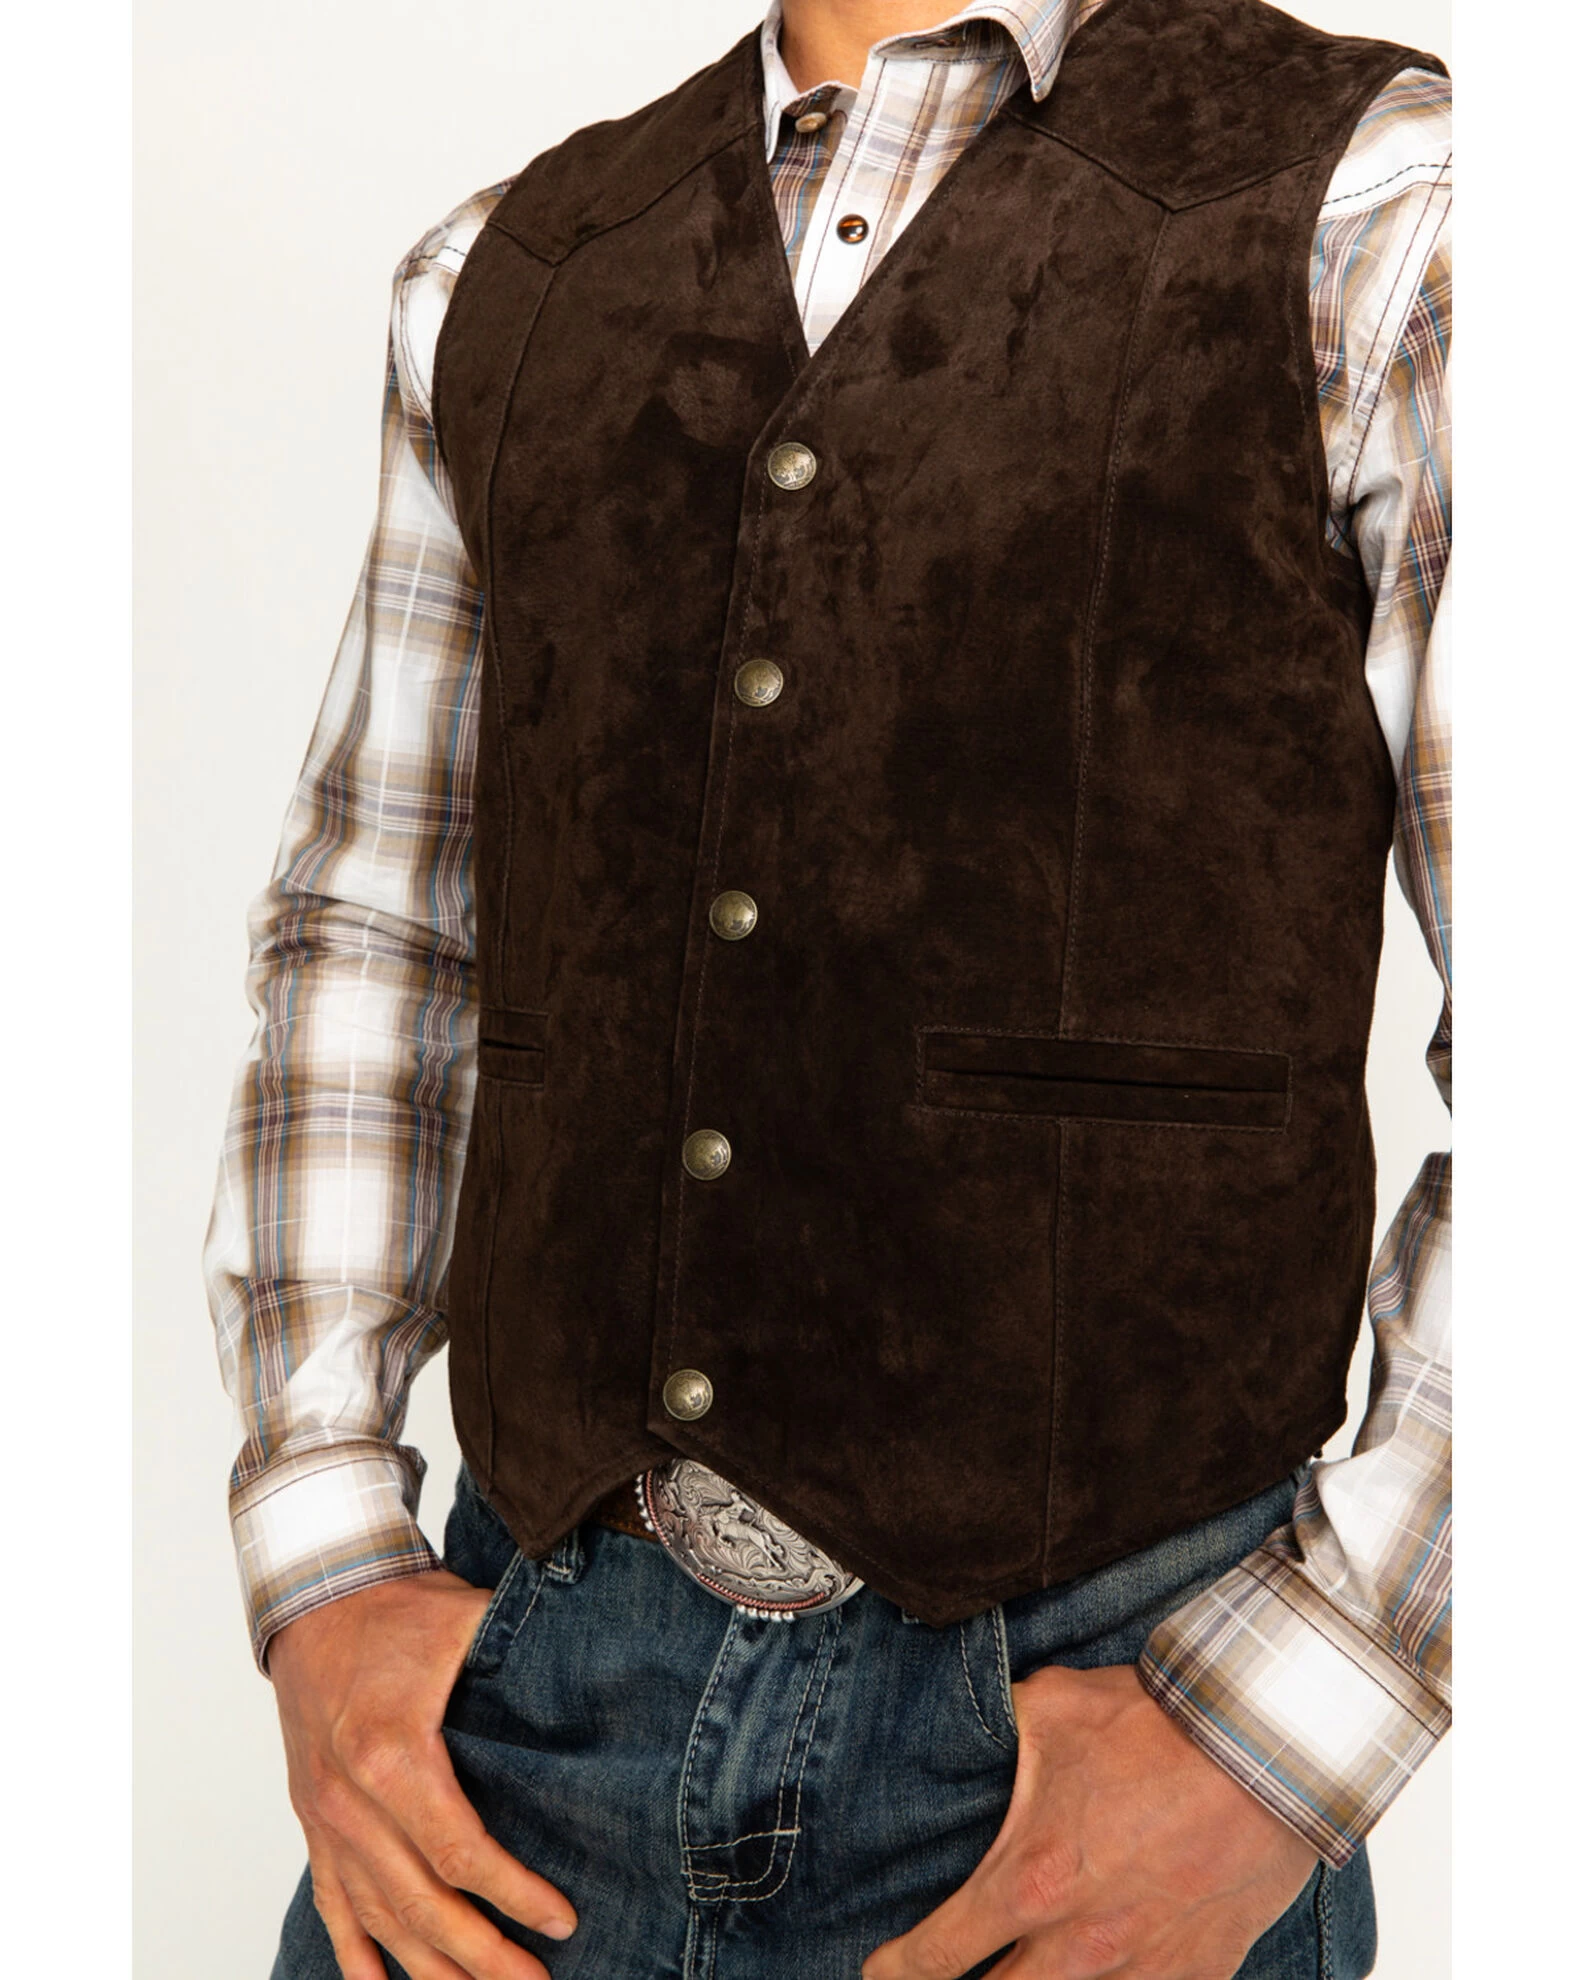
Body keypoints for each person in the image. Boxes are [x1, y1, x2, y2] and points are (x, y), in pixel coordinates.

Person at [203, 2, 1452, 1976]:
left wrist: (1293, 1733)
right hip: (512, 1742)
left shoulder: (1387, 211)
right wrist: (325, 1557)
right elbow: (381, 924)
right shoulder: (504, 269)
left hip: (1105, 1734)